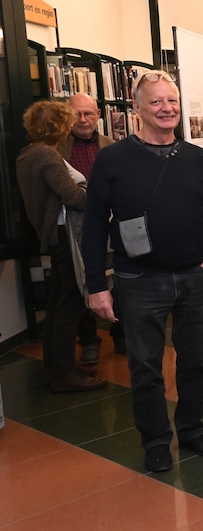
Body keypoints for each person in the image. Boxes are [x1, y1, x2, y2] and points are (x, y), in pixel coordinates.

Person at [82, 70, 203, 473]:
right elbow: (94, 225)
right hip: (138, 280)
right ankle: (156, 440)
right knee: (145, 366)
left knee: (196, 361)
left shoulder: (196, 157)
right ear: (137, 109)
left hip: (195, 277)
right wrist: (97, 285)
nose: (167, 108)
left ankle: (193, 430)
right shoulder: (112, 158)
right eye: (157, 101)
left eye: (172, 101)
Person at [16, 100, 107, 393]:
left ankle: (57, 366)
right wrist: (93, 194)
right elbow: (74, 198)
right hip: (64, 236)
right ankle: (64, 373)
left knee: (57, 303)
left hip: (53, 235)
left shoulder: (28, 154)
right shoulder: (48, 157)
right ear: (59, 127)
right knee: (69, 303)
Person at [58, 93, 119, 360]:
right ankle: (89, 340)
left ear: (98, 115)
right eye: (76, 114)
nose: (83, 120)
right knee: (81, 280)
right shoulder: (56, 149)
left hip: (112, 221)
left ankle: (122, 335)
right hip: (74, 226)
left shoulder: (112, 146)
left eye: (89, 114)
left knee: (117, 280)